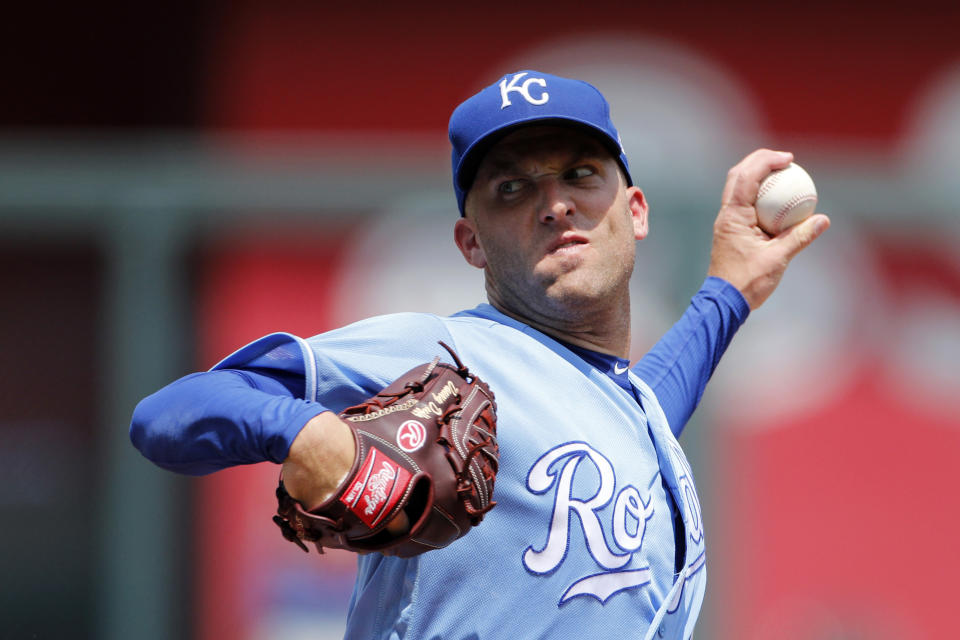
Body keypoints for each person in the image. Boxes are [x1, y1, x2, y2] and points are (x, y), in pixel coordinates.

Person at [131, 70, 830, 639]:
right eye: (513, 187)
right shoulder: (447, 350)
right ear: (471, 243)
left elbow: (639, 409)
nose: (555, 203)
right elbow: (167, 416)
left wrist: (728, 292)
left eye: (581, 173)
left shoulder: (625, 410)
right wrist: (299, 428)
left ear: (635, 210)